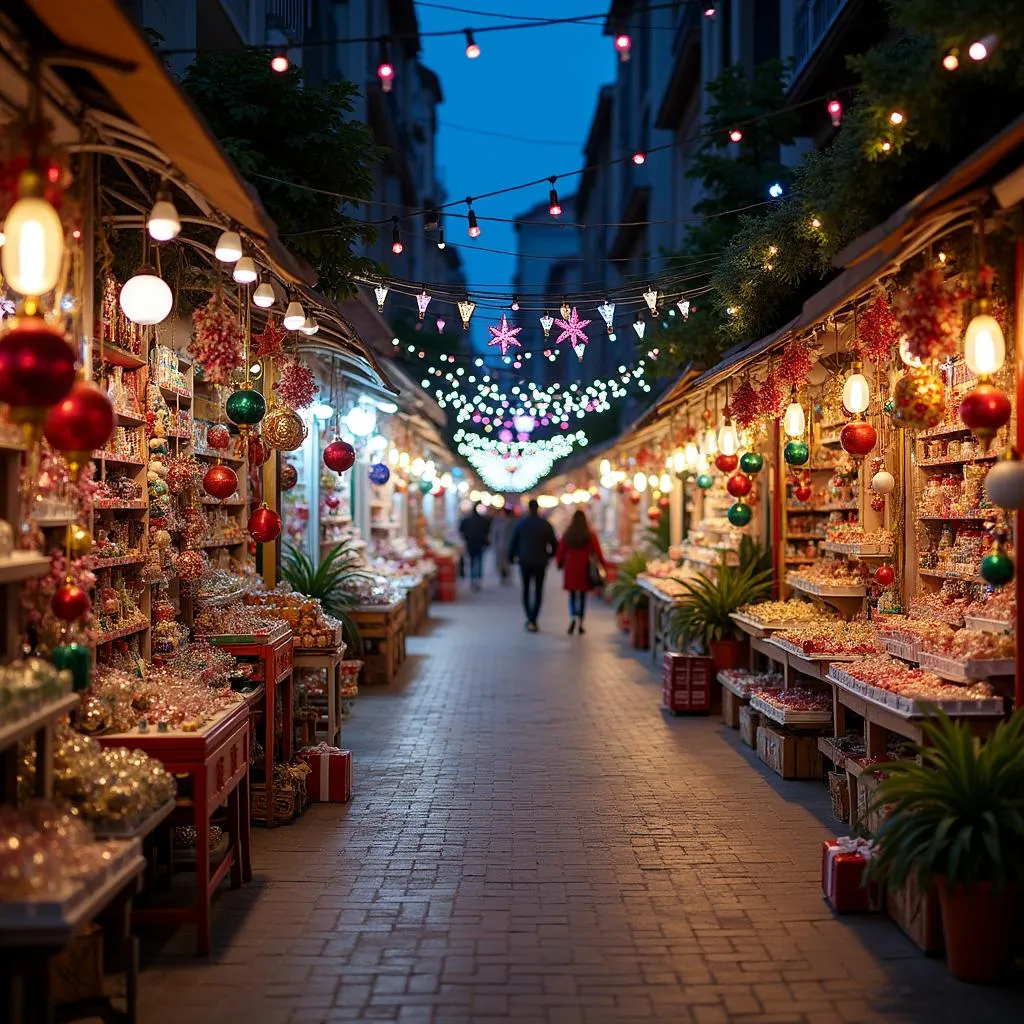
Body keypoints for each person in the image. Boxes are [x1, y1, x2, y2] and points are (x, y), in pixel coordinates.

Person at [508, 498, 557, 632]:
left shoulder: (521, 524)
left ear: (528, 508)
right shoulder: (545, 524)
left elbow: (513, 542)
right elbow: (554, 544)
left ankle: (529, 617)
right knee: (539, 590)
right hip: (541, 561)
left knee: (526, 589)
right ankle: (534, 618)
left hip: (524, 561)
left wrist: (511, 557)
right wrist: (549, 556)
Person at [555, 509, 607, 635]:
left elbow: (560, 550)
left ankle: (573, 616)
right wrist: (603, 565)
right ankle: (581, 622)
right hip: (584, 567)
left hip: (571, 567)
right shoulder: (589, 534)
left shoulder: (567, 534)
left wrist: (559, 563)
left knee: (572, 595)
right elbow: (598, 552)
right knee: (583, 596)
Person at [458, 504, 491, 592]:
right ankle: (477, 579)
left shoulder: (467, 520)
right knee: (479, 561)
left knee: (472, 562)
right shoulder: (483, 520)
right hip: (479, 544)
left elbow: (461, 531)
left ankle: (473, 579)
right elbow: (487, 531)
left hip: (471, 543)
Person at [491, 507, 515, 585]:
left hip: (504, 546)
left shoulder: (507, 522)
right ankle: (504, 577)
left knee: (504, 563)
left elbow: (494, 534)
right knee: (503, 563)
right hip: (504, 546)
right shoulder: (501, 522)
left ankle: (505, 577)